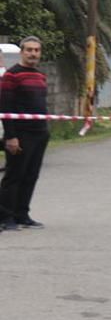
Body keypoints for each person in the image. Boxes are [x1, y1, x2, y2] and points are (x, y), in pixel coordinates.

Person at [0, 36, 50, 231]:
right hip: (20, 134)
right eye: (29, 50)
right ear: (22, 52)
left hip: (39, 133)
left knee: (31, 175)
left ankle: (22, 215)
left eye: (36, 50)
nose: (33, 54)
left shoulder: (40, 76)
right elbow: (5, 107)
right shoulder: (11, 76)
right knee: (14, 176)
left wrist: (45, 129)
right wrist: (11, 136)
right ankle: (5, 217)